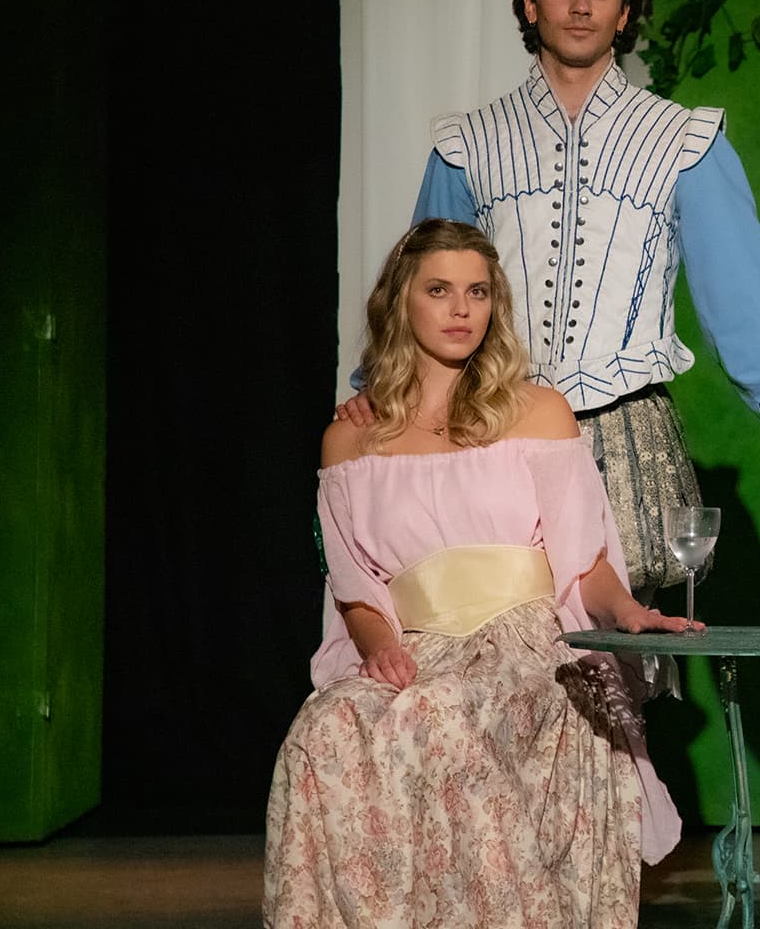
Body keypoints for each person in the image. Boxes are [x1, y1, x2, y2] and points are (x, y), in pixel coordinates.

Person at [341, 0, 760, 592]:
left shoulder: (682, 139)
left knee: (616, 668)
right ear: (529, 3)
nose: (579, 4)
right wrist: (376, 391)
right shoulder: (467, 144)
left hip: (624, 432)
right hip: (487, 421)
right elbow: (422, 288)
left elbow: (742, 296)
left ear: (624, 13)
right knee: (491, 626)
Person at [267, 219, 695, 927]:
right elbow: (354, 587)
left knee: (444, 716)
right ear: (401, 302)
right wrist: (378, 649)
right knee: (321, 732)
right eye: (440, 290)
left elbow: (584, 559)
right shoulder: (349, 436)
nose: (462, 309)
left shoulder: (538, 411)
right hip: (416, 645)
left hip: (527, 645)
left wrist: (627, 612)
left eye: (478, 292)